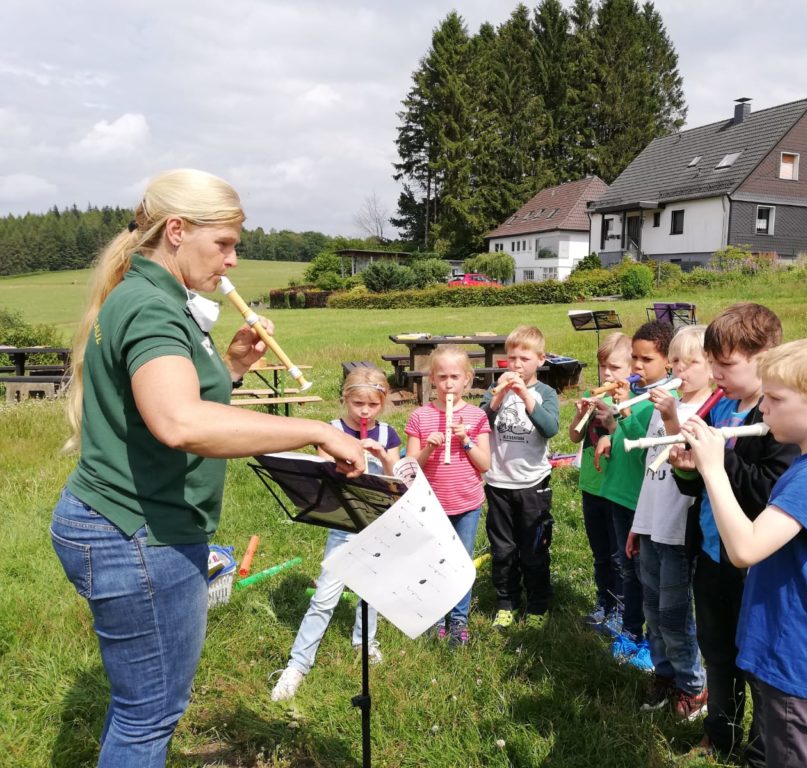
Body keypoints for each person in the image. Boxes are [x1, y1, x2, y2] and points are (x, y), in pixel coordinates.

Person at [49, 169, 364, 767]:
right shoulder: (150, 306)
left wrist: (232, 367)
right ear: (176, 231)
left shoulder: (156, 296)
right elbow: (181, 424)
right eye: (224, 243)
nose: (234, 260)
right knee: (149, 719)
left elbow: (171, 402)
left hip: (134, 526)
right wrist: (317, 430)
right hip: (138, 535)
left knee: (142, 706)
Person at [678, 337, 807, 768]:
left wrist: (713, 466)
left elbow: (744, 549)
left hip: (795, 657)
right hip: (780, 646)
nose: (763, 408)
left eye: (776, 399)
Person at [669, 302, 798, 765]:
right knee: (717, 651)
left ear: (764, 356)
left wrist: (717, 458)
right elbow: (702, 483)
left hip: (754, 563)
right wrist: (690, 467)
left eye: (726, 365)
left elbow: (768, 490)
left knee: (757, 662)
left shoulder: (780, 419)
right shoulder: (721, 405)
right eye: (714, 364)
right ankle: (718, 733)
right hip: (710, 550)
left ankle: (762, 748)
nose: (716, 374)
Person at [271, 366, 401, 701]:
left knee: (369, 593)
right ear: (345, 399)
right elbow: (325, 472)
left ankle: (365, 642)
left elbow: (396, 483)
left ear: (382, 404)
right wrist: (346, 457)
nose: (364, 411)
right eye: (357, 403)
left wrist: (383, 459)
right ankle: (298, 663)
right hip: (343, 524)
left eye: (372, 405)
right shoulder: (331, 431)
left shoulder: (388, 435)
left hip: (376, 524)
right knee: (324, 597)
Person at [628, 325, 713, 720]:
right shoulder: (668, 407)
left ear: (711, 366)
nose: (681, 368)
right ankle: (664, 675)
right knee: (653, 609)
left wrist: (672, 416)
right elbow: (651, 470)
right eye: (675, 360)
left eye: (690, 361)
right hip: (652, 524)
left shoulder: (708, 410)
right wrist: (637, 524)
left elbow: (687, 460)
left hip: (680, 530)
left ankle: (693, 686)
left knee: (675, 614)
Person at [593, 320, 676, 671]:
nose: (637, 367)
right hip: (621, 493)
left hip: (644, 497)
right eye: (635, 359)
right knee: (628, 569)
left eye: (646, 360)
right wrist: (608, 429)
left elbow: (649, 446)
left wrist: (623, 413)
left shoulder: (663, 399)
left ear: (667, 362)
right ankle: (629, 630)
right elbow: (624, 436)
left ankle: (649, 639)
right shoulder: (639, 393)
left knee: (646, 574)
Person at [405, 345, 491, 646]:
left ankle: (458, 620)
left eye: (455, 377)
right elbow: (411, 466)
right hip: (430, 503)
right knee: (432, 561)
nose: (448, 384)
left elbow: (485, 464)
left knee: (460, 562)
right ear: (432, 379)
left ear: (467, 379)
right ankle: (435, 616)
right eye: (442, 377)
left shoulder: (477, 416)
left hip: (466, 502)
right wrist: (430, 447)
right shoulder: (420, 416)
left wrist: (465, 440)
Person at [482, 325, 561, 629]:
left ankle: (538, 603)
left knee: (534, 549)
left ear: (540, 360)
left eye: (524, 358)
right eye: (511, 358)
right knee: (502, 549)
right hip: (499, 482)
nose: (516, 365)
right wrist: (499, 393)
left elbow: (550, 427)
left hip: (533, 484)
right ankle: (506, 601)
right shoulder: (495, 390)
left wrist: (525, 394)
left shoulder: (545, 393)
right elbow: (481, 422)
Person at [567, 332, 632, 631]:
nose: (608, 373)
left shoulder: (631, 404)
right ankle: (602, 602)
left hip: (617, 488)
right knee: (600, 553)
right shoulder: (597, 398)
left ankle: (621, 609)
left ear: (631, 370)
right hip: (592, 484)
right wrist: (580, 415)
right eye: (604, 366)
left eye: (616, 368)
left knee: (620, 554)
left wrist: (613, 418)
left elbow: (628, 436)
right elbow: (575, 436)